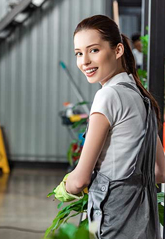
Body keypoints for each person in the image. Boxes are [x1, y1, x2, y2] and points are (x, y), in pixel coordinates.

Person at [54, 15, 165, 238]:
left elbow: (80, 179)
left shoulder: (108, 96)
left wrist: (65, 189)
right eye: (78, 53)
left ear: (118, 50)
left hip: (113, 221)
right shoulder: (142, 97)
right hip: (144, 221)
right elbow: (161, 172)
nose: (84, 61)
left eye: (93, 50)